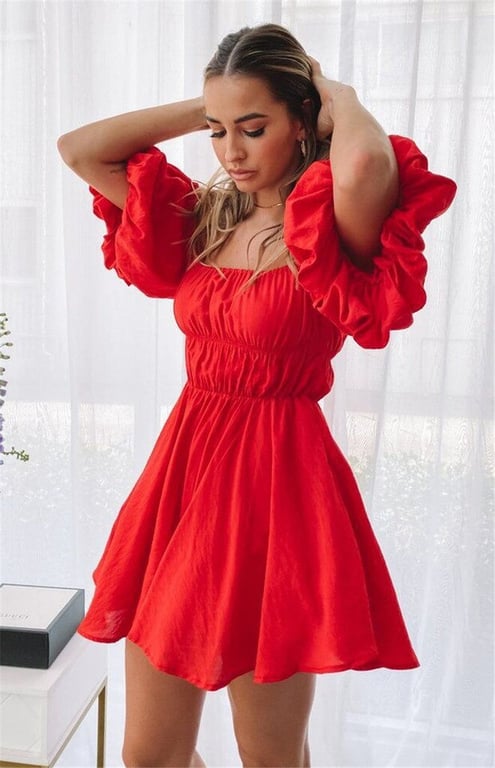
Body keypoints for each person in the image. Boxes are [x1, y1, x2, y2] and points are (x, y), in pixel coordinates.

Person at [58, 23, 456, 768]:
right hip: (184, 480)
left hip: (277, 492)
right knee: (148, 755)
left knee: (269, 756)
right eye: (218, 132)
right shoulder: (207, 219)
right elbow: (81, 149)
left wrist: (332, 91)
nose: (231, 152)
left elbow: (366, 159)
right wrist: (214, 105)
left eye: (253, 128)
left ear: (303, 122)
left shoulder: (330, 225)